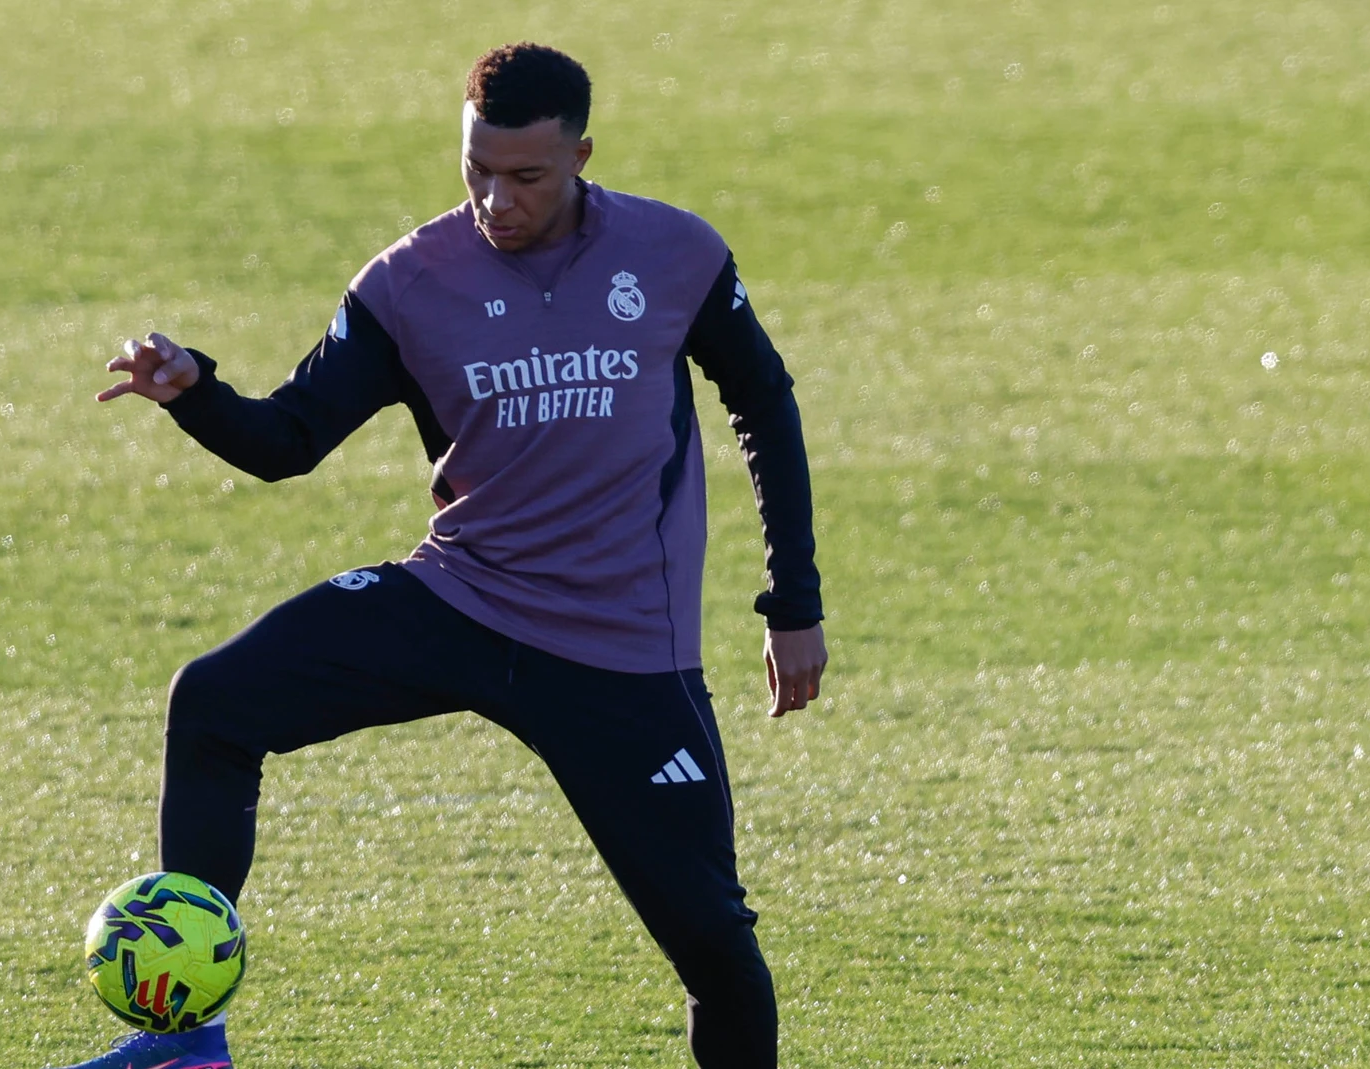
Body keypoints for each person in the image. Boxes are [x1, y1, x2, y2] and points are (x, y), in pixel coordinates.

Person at [55, 41, 825, 1069]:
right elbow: (290, 440)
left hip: (620, 650)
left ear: (581, 155)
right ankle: (187, 1045)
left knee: (716, 951)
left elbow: (762, 401)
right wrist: (194, 391)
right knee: (214, 703)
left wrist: (792, 599)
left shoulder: (676, 255)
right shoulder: (412, 281)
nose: (496, 200)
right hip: (459, 600)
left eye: (526, 178)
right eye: (476, 169)